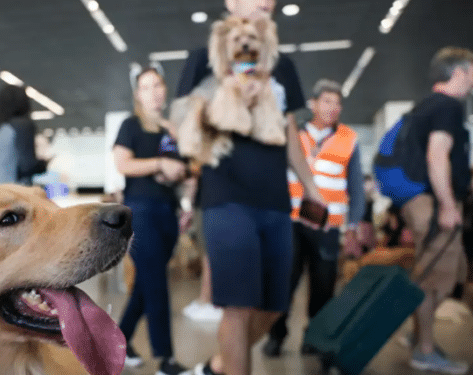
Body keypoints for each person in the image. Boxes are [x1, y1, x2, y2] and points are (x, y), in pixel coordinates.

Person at [177, 1, 325, 374]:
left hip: (275, 198)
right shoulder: (203, 60)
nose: (267, 4)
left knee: (275, 306)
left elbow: (290, 130)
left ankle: (217, 365)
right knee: (238, 306)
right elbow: (180, 124)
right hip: (226, 197)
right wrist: (221, 101)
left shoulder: (281, 66)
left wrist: (310, 185)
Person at [263, 79, 365, 357]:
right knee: (285, 283)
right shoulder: (293, 132)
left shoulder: (348, 138)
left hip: (328, 225)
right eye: (327, 101)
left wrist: (353, 224)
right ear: (313, 104)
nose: (333, 108)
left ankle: (314, 337)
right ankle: (276, 335)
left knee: (323, 286)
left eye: (337, 103)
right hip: (292, 221)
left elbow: (355, 185)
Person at [399, 47, 473, 374]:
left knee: (447, 273)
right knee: (434, 279)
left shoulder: (425, 106)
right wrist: (446, 204)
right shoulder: (447, 106)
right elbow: (437, 155)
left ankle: (419, 336)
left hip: (420, 200)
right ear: (459, 72)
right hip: (433, 200)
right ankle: (424, 349)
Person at [114, 67, 189, 375]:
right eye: (146, 86)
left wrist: (181, 188)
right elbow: (123, 163)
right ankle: (166, 359)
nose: (153, 91)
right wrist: (159, 164)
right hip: (140, 210)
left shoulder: (173, 129)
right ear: (138, 94)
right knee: (156, 283)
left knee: (146, 284)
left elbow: (185, 168)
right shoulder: (131, 125)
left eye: (157, 84)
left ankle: (118, 342)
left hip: (168, 211)